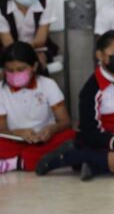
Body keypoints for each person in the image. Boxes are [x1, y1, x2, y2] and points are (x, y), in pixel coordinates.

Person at [36, 30, 114, 180]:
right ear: (100, 55)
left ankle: (94, 165)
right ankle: (76, 156)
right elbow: (89, 133)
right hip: (106, 143)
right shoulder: (92, 89)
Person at [0, 41, 75, 174]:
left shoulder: (48, 85)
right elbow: (2, 129)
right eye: (10, 70)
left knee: (72, 137)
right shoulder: (1, 91)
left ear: (34, 66)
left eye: (21, 69)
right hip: (15, 141)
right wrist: (17, 133)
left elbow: (65, 122)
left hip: (45, 141)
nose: (15, 74)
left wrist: (52, 129)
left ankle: (16, 162)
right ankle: (39, 160)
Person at [0, 0, 59, 70]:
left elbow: (40, 40)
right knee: (15, 65)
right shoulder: (2, 8)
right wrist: (23, 56)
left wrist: (31, 55)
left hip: (37, 47)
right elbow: (8, 43)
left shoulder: (45, 3)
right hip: (10, 50)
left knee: (38, 62)